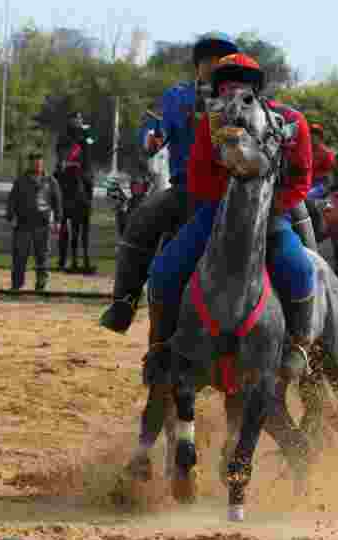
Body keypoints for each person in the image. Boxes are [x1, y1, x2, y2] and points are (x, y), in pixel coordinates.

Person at [147, 53, 315, 381]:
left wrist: (271, 205)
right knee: (165, 268)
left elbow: (301, 177)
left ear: (255, 89)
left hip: (270, 213)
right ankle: (163, 346)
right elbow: (197, 177)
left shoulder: (288, 119)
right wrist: (230, 202)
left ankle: (298, 345)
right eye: (224, 84)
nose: (231, 91)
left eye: (240, 84)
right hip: (218, 213)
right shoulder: (210, 124)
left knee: (300, 268)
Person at [98, 31, 240, 334]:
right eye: (208, 59)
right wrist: (151, 138)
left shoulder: (242, 98)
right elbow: (153, 126)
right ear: (198, 64)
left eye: (222, 59)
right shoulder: (178, 96)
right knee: (140, 221)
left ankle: (303, 319)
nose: (215, 64)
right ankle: (124, 303)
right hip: (186, 190)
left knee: (293, 222)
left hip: (235, 193)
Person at [6, 152, 63, 291]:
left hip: (42, 226)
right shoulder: (21, 180)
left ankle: (41, 285)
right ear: (30, 163)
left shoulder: (50, 181)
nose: (37, 164)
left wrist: (58, 220)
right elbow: (12, 200)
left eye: (39, 162)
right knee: (20, 256)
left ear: (42, 163)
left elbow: (57, 201)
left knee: (42, 257)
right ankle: (17, 285)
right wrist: (11, 216)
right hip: (23, 226)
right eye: (34, 162)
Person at [54, 112, 95, 272]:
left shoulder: (85, 134)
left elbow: (90, 148)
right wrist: (66, 163)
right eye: (75, 119)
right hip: (67, 175)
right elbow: (60, 152)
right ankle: (62, 259)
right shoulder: (64, 136)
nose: (78, 121)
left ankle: (84, 259)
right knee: (64, 223)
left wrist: (87, 135)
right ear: (70, 120)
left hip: (82, 174)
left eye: (80, 119)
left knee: (88, 183)